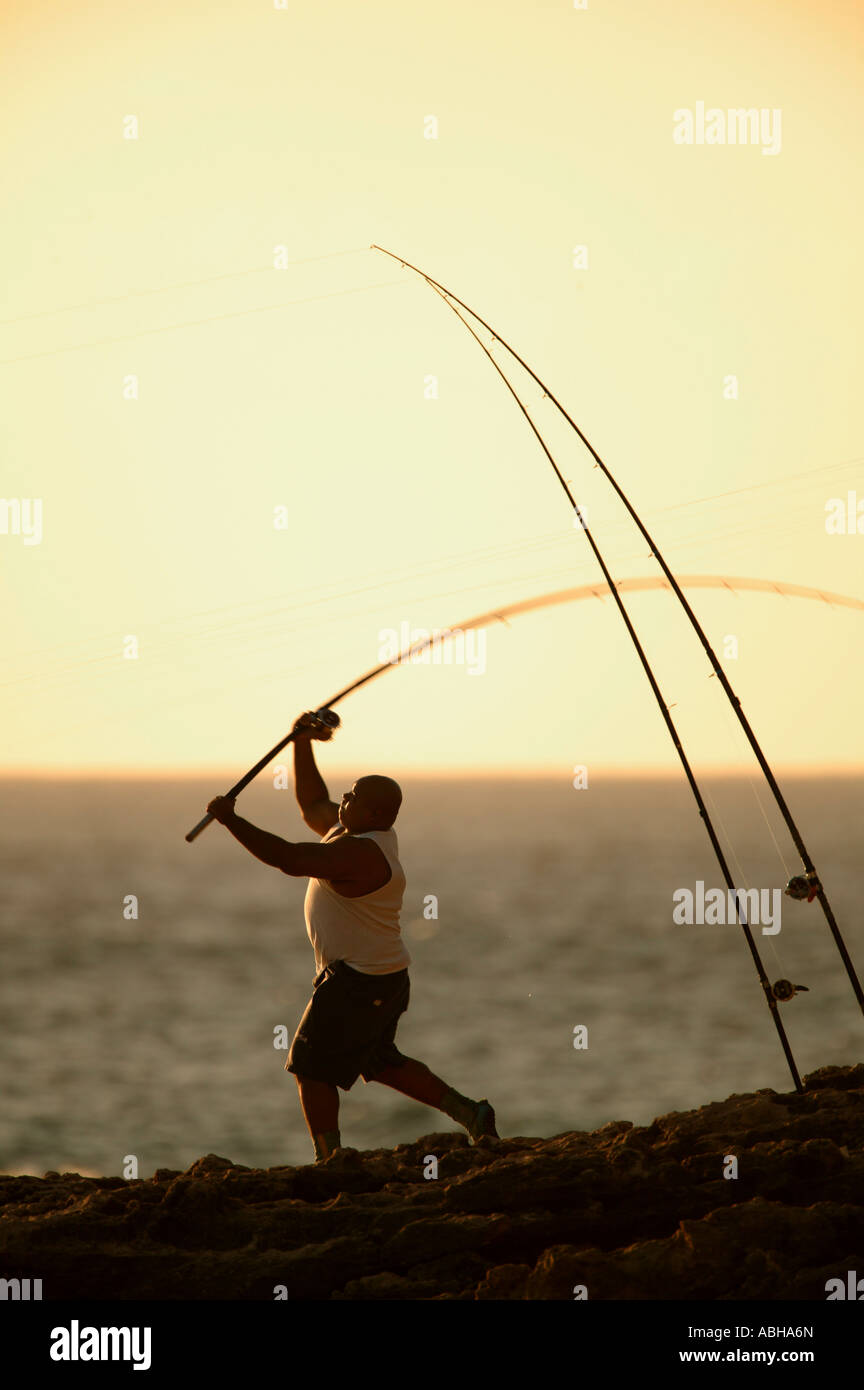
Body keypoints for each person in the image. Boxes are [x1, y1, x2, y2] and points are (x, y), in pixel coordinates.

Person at [205, 711, 499, 1163]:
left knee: (310, 1067)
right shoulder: (349, 830)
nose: (345, 796)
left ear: (375, 813)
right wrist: (300, 741)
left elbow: (288, 858)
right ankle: (472, 1113)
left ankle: (330, 1161)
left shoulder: (363, 854)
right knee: (377, 1060)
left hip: (359, 982)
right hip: (382, 978)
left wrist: (232, 821)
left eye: (354, 795)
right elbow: (311, 803)